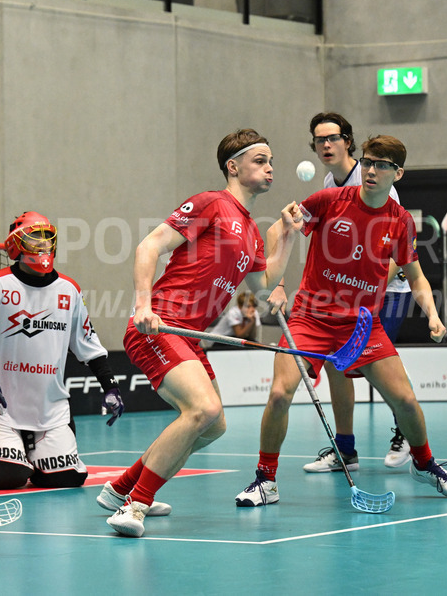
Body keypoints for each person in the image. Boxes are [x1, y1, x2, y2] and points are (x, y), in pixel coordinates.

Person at [237, 134, 447, 507]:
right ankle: (265, 480)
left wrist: (434, 315)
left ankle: (424, 465)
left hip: (362, 325)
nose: (372, 170)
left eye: (382, 165)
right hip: (310, 319)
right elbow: (279, 229)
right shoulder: (329, 201)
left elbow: (416, 275)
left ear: (398, 174)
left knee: (405, 400)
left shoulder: (400, 221)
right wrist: (276, 283)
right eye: (369, 162)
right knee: (280, 393)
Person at [100, 129, 304, 538]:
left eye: (271, 161)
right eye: (260, 160)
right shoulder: (213, 203)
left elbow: (263, 284)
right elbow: (148, 246)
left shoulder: (248, 227)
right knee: (203, 410)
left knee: (214, 426)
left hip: (189, 334)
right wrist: (142, 304)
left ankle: (122, 487)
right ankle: (134, 505)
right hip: (160, 323)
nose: (270, 168)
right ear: (233, 166)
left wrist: (287, 236)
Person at [268, 112, 413, 476]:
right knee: (337, 367)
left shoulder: (379, 181)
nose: (325, 146)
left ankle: (404, 434)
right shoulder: (331, 183)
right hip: (338, 299)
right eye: (319, 140)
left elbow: (397, 256)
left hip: (385, 291)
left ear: (348, 140)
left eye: (332, 138)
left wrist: (367, 286)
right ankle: (345, 449)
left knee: (375, 369)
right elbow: (292, 232)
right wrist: (281, 283)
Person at [0, 211, 125, 491]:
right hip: (2, 409)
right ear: (16, 247)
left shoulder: (69, 290)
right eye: (34, 240)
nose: (43, 247)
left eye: (47, 240)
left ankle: (33, 457)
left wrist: (110, 386)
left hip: (51, 410)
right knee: (7, 477)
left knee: (67, 478)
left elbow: (89, 346)